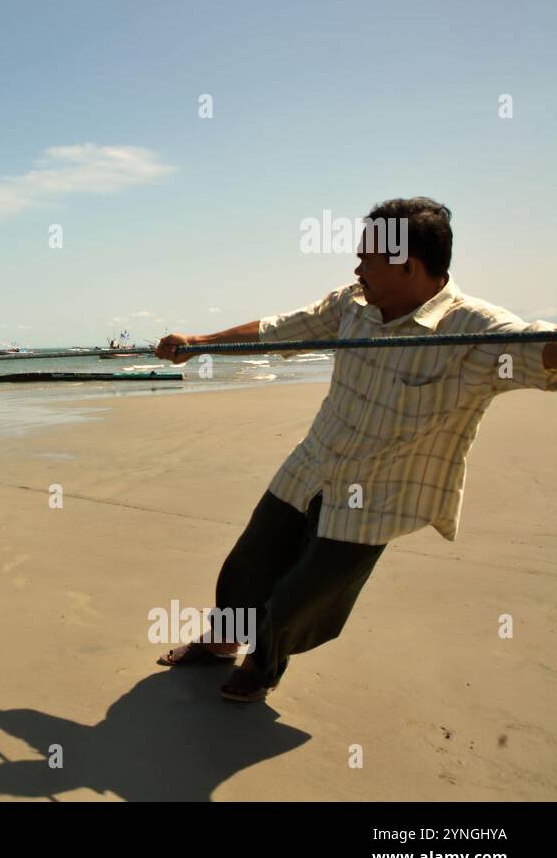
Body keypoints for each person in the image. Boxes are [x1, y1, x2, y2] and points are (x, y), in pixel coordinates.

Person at [154, 197, 557, 703]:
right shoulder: (353, 305)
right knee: (247, 566)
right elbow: (281, 331)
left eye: (367, 257)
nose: (356, 267)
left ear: (408, 266)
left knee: (300, 599)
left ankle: (262, 665)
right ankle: (221, 642)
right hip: (312, 465)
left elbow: (540, 355)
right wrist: (200, 341)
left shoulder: (475, 331)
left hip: (379, 496)